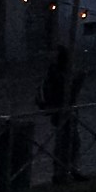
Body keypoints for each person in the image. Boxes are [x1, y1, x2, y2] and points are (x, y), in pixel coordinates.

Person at [37, 43, 84, 181]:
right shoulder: (56, 74)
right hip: (60, 110)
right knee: (65, 142)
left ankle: (70, 169)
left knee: (73, 141)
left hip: (66, 110)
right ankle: (61, 172)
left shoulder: (60, 73)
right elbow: (63, 92)